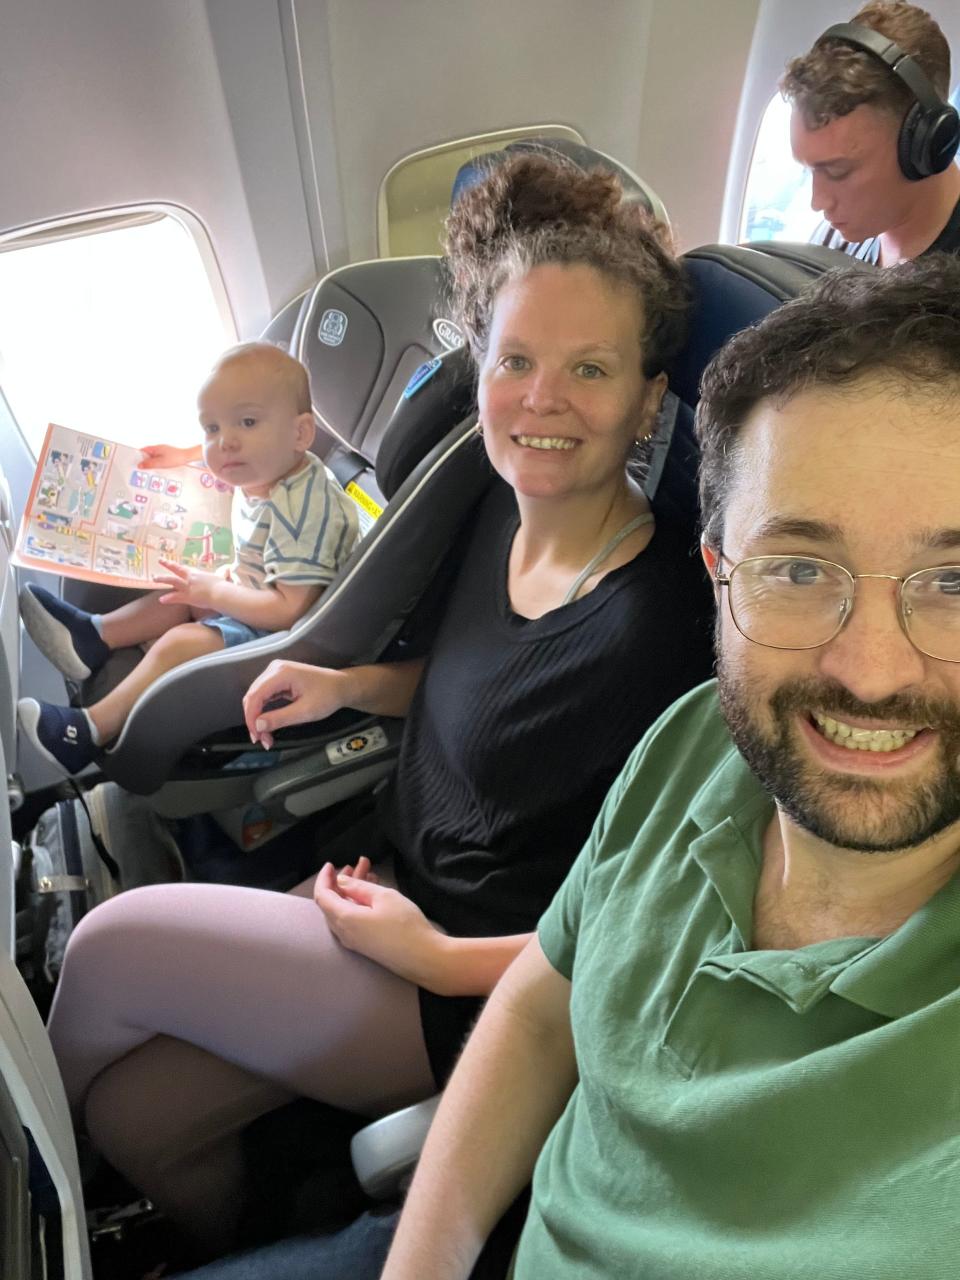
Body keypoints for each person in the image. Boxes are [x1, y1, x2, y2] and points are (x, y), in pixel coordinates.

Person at [44, 152, 714, 1260]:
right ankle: (274, 1228)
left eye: (590, 370)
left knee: (110, 946)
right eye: (517, 361)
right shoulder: (499, 512)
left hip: (469, 977)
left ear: (650, 397)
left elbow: (651, 932)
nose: (542, 400)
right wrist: (356, 684)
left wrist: (435, 956)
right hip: (389, 886)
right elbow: (481, 687)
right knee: (137, 1117)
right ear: (481, 367)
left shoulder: (659, 633)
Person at [383, 255, 960, 1280]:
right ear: (717, 575)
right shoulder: (700, 737)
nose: (871, 670)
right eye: (795, 566)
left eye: (954, 579)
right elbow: (536, 1004)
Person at [17, 341, 359, 775]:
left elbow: (291, 609)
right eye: (211, 428)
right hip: (256, 588)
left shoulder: (303, 509)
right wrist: (185, 454)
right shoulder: (264, 461)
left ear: (300, 434)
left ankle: (87, 732)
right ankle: (93, 638)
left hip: (293, 632)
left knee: (181, 640)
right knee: (181, 592)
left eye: (247, 422)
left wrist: (216, 590)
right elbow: (228, 443)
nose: (224, 443)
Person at [783, 2, 960, 264]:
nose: (817, 202)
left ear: (926, 144)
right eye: (809, 170)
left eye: (837, 172)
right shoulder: (831, 243)